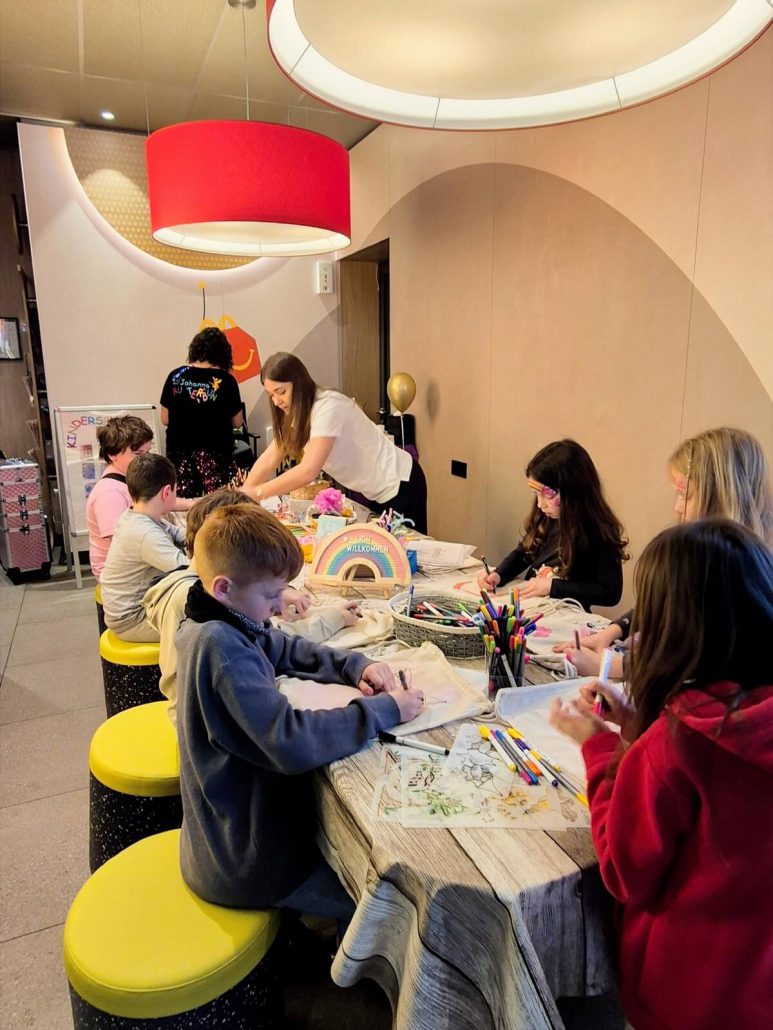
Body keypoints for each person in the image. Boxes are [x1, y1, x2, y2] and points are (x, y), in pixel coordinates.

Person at [549, 519, 773, 1030]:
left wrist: (599, 746)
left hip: (685, 993)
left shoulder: (678, 742)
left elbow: (622, 869)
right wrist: (639, 726)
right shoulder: (733, 719)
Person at [174, 504, 423, 926]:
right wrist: (387, 709)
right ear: (224, 587)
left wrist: (354, 666)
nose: (278, 606)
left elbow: (283, 647)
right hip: (244, 864)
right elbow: (290, 740)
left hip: (221, 838)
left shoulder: (218, 616)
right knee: (390, 911)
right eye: (272, 595)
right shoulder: (222, 648)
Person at [143, 488, 365, 726]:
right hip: (200, 727)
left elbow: (271, 642)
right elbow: (281, 731)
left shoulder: (207, 594)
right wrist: (332, 619)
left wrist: (275, 592)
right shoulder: (206, 621)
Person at [564, 426, 773, 675]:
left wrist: (609, 666)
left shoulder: (724, 570)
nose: (677, 507)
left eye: (685, 495)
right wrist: (613, 631)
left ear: (721, 497)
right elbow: (658, 607)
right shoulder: (739, 556)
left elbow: (686, 656)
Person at [242, 352, 428, 533]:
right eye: (271, 395)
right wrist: (244, 495)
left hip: (400, 482)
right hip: (377, 490)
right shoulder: (297, 412)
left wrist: (259, 492)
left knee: (403, 550)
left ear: (298, 384)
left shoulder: (328, 406)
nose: (276, 401)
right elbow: (272, 455)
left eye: (281, 392)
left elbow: (308, 470)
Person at [477, 439, 628, 611]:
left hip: (566, 616)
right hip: (532, 608)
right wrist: (499, 574)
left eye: (547, 495)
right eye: (536, 494)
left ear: (573, 492)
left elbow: (610, 592)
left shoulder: (599, 532)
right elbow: (524, 552)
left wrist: (553, 587)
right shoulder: (546, 517)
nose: (540, 504)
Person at [100, 453, 187, 642]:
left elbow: (177, 533)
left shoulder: (137, 515)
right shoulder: (145, 533)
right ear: (167, 492)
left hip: (135, 608)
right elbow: (187, 570)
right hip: (134, 620)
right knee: (207, 625)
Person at [160, 326, 243, 497]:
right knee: (219, 504)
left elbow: (165, 419)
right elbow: (237, 422)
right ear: (223, 354)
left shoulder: (176, 376)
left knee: (184, 504)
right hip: (217, 457)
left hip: (180, 456)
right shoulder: (227, 380)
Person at [86, 415, 153, 579]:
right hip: (120, 577)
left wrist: (194, 504)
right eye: (138, 454)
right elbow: (122, 541)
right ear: (112, 454)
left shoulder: (130, 479)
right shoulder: (109, 493)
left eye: (147, 453)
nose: (145, 460)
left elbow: (160, 500)